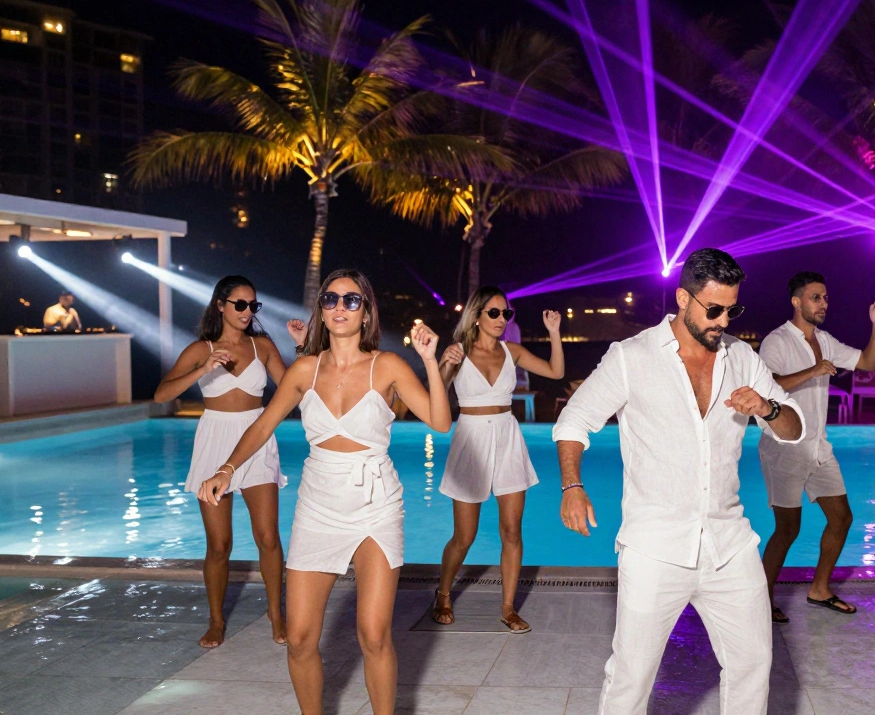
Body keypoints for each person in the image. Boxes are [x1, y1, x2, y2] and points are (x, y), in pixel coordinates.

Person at [554, 248, 805, 714]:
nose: (723, 321)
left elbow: (793, 429)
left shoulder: (742, 357)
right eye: (714, 309)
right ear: (683, 298)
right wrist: (572, 486)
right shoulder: (632, 357)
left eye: (733, 310)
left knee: (753, 664)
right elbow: (574, 420)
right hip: (654, 546)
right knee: (631, 675)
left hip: (729, 544)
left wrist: (768, 408)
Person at [198, 269, 452, 715]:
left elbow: (440, 421)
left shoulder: (387, 366)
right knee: (299, 639)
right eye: (331, 299)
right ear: (321, 309)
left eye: (351, 300)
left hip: (375, 502)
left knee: (373, 635)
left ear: (366, 312)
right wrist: (227, 468)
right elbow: (263, 424)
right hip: (319, 504)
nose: (339, 308)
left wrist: (430, 360)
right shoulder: (304, 369)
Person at [154, 275, 305, 648]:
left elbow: (294, 391)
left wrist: (303, 348)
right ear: (220, 305)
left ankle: (276, 613)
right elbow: (161, 395)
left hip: (257, 438)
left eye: (253, 305)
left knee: (268, 537)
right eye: (240, 304)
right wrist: (203, 369)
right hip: (214, 442)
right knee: (219, 544)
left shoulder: (262, 345)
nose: (247, 311)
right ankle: (216, 620)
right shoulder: (199, 349)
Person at [757, 271, 875, 623]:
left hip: (818, 447)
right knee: (788, 529)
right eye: (815, 297)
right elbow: (768, 385)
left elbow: (867, 362)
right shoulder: (777, 341)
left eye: (826, 297)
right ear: (796, 301)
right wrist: (813, 371)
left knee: (842, 517)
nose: (823, 303)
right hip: (784, 447)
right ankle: (760, 601)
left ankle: (819, 588)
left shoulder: (825, 341)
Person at [432, 286, 564, 633]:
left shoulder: (512, 351)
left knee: (512, 531)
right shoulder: (459, 351)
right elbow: (436, 396)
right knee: (465, 535)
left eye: (506, 313)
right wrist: (443, 364)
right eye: (494, 312)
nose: (501, 319)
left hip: (507, 439)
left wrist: (554, 333)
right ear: (476, 316)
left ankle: (508, 607)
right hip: (470, 440)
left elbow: (555, 372)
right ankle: (442, 594)